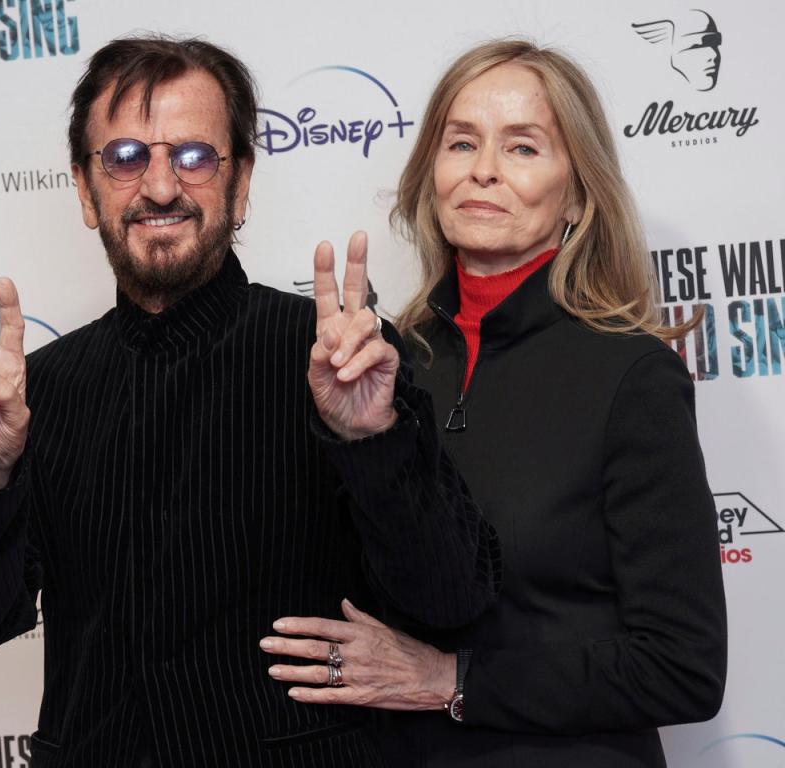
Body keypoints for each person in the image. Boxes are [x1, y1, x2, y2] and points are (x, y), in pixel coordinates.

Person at [0, 36, 501, 768]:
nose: (159, 187)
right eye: (125, 157)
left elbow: (453, 599)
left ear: (241, 182)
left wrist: (372, 440)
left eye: (194, 157)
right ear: (86, 191)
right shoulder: (32, 394)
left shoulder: (339, 359)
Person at [260, 39, 727, 767]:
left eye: (523, 148)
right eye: (462, 142)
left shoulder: (630, 376)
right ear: (432, 173)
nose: (484, 170)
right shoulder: (384, 367)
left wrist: (452, 680)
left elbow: (683, 667)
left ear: (577, 192)